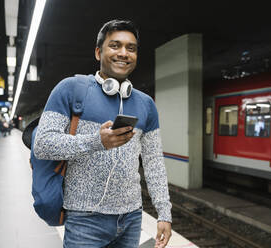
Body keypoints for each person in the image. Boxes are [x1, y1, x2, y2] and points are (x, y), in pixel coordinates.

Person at [34, 19, 172, 248]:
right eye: (115, 45)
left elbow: (154, 162)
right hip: (83, 220)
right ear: (99, 52)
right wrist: (96, 141)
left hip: (131, 218)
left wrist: (164, 212)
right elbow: (43, 144)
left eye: (131, 48)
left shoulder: (146, 104)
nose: (124, 53)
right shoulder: (70, 89)